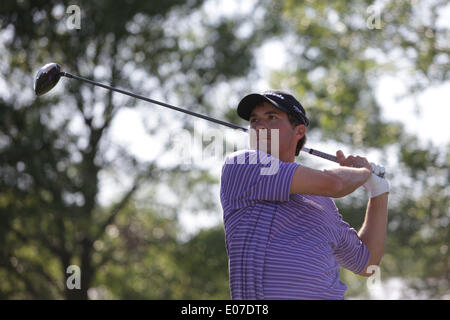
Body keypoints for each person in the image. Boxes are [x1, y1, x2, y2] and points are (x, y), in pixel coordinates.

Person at [220, 90, 389, 299]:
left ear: (299, 131)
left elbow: (367, 263)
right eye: (254, 120)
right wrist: (364, 172)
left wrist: (379, 190)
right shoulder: (242, 165)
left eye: (271, 117)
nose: (260, 126)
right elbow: (335, 183)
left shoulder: (322, 202)